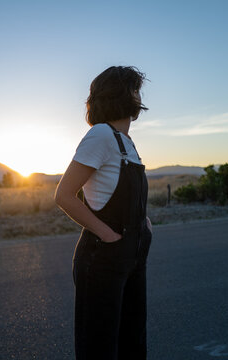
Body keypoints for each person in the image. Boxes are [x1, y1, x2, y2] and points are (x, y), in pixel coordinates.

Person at [54, 65, 153, 360]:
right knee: (99, 349)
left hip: (133, 256)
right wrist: (109, 236)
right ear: (119, 95)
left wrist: (144, 224)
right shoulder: (100, 135)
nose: (139, 96)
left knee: (132, 344)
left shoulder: (126, 142)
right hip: (103, 259)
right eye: (135, 89)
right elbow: (64, 195)